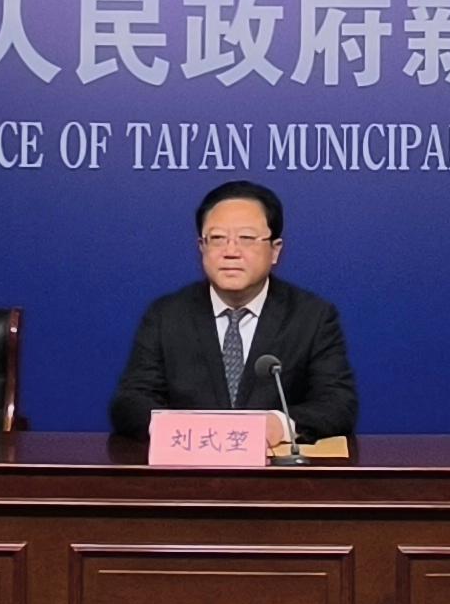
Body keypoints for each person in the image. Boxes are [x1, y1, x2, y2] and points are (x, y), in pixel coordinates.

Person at [108, 180, 358, 443]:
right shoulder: (166, 315)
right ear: (201, 247)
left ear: (275, 250)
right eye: (217, 239)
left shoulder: (312, 317)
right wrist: (187, 430)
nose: (230, 252)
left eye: (246, 239)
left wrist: (280, 425)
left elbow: (338, 403)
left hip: (274, 467)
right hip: (189, 464)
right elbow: (130, 402)